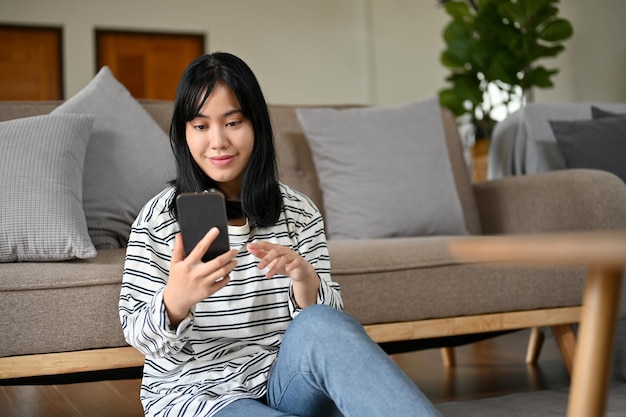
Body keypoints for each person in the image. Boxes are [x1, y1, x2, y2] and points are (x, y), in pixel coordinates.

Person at [119, 51, 441, 417]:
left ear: (255, 124)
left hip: (284, 383)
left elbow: (332, 337)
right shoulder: (159, 219)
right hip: (199, 396)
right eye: (201, 126)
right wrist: (175, 301)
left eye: (233, 122)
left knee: (322, 322)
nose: (218, 141)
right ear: (184, 133)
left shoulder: (299, 212)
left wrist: (306, 283)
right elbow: (138, 335)